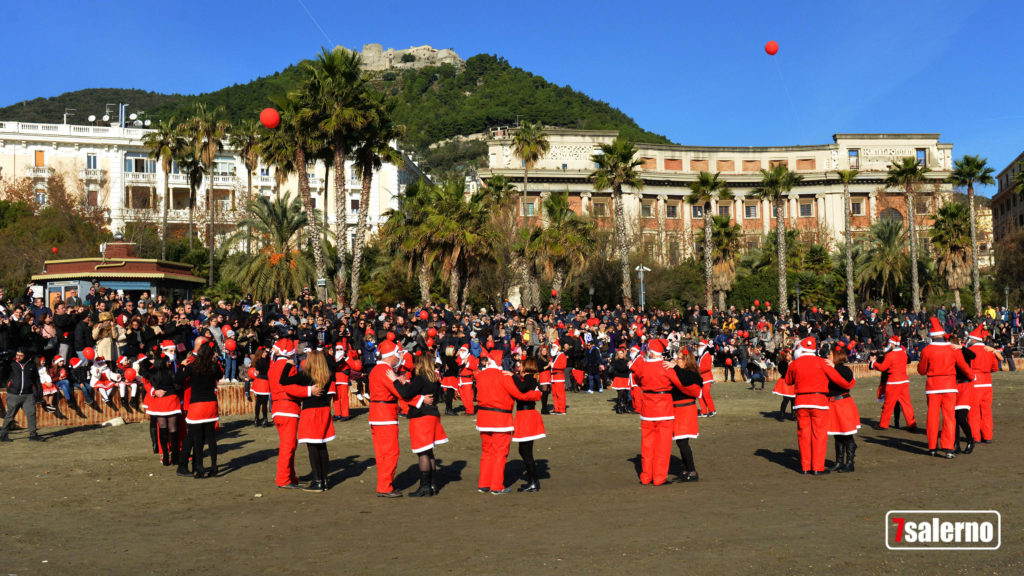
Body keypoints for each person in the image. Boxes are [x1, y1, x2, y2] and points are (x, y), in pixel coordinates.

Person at [474, 349, 541, 494]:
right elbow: (520, 394)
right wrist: (537, 394)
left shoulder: (480, 375)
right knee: (500, 452)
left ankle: (483, 483)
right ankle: (497, 486)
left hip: (483, 418)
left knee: (486, 452)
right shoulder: (504, 376)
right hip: (501, 419)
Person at [783, 337, 852, 475]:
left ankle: (805, 467)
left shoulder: (795, 364)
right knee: (819, 435)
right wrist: (849, 385)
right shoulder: (822, 362)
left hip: (801, 402)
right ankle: (817, 467)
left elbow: (788, 380)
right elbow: (839, 380)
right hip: (819, 401)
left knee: (803, 435)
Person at [916, 318, 973, 459]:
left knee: (932, 418)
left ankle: (932, 447)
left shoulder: (927, 350)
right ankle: (948, 448)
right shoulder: (952, 349)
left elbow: (922, 370)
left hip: (933, 387)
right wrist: (972, 376)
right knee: (949, 418)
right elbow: (964, 367)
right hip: (949, 387)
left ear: (931, 336)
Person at [280, 350, 334, 492]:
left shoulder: (306, 375)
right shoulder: (328, 374)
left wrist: (288, 365)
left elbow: (283, 381)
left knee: (312, 447)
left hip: (310, 411)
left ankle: (317, 482)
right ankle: (324, 480)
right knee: (322, 446)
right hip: (324, 410)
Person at [394, 353, 446, 497]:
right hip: (433, 415)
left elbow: (405, 394)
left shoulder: (421, 378)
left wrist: (395, 381)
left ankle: (424, 487)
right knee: (429, 451)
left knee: (422, 452)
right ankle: (432, 484)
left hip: (421, 417)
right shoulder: (434, 378)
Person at [635, 339, 681, 486]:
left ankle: (646, 477)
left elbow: (636, 379)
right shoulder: (666, 367)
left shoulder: (642, 366)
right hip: (664, 409)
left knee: (647, 446)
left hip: (647, 409)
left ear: (650, 351)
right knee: (663, 446)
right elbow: (679, 383)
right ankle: (659, 478)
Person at [175, 342, 223, 477]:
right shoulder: (213, 366)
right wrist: (216, 360)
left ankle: (199, 468)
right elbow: (219, 375)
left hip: (197, 404)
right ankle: (214, 467)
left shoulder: (193, 366)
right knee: (211, 437)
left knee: (197, 438)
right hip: (211, 403)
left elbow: (178, 379)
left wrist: (182, 367)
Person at [368, 338, 407, 497]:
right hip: (385, 415)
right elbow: (399, 392)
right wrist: (401, 383)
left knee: (381, 453)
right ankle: (385, 486)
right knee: (391, 452)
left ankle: (383, 484)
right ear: (392, 355)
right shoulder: (385, 370)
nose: (400, 358)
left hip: (377, 414)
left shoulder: (376, 370)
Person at [268, 339, 301, 488]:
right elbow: (292, 387)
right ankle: (284, 478)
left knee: (287, 444)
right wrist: (308, 391)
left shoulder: (272, 367)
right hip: (288, 408)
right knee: (289, 445)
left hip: (276, 407)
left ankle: (290, 476)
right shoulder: (289, 366)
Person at [511, 356, 546, 492]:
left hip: (527, 416)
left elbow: (522, 388)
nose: (519, 367)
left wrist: (512, 376)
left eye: (521, 365)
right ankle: (533, 480)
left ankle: (533, 482)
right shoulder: (530, 379)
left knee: (526, 451)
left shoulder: (530, 379)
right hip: (525, 415)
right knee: (524, 450)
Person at [669, 348, 704, 482]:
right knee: (680, 442)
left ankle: (692, 472)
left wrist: (675, 368)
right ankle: (687, 470)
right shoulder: (681, 371)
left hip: (685, 410)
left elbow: (684, 380)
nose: (677, 360)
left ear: (686, 360)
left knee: (683, 442)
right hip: (678, 410)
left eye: (679, 358)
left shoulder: (692, 374)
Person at [869, 335, 917, 431]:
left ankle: (883, 424)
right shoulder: (903, 354)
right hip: (904, 381)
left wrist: (873, 362)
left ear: (892, 344)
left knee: (888, 405)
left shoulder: (890, 355)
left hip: (893, 382)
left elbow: (882, 367)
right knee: (906, 404)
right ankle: (912, 424)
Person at [142, 353, 181, 466]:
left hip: (159, 402)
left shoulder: (151, 373)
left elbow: (142, 372)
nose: (169, 363)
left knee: (162, 429)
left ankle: (165, 456)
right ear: (164, 362)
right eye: (168, 361)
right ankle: (174, 457)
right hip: (172, 400)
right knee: (173, 429)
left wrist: (148, 361)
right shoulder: (170, 372)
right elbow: (177, 386)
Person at [826, 346, 859, 473]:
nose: (828, 357)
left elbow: (846, 378)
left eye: (830, 354)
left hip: (843, 403)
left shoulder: (844, 369)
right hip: (833, 404)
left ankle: (850, 463)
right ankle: (839, 462)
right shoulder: (830, 369)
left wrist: (833, 367)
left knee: (847, 434)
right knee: (837, 435)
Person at [0, 349, 45, 442]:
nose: (18, 357)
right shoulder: (11, 364)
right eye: (17, 355)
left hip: (28, 395)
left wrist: (40, 392)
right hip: (13, 394)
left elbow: (36, 379)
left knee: (31, 414)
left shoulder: (31, 364)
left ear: (26, 355)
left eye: (20, 355)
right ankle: (3, 435)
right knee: (10, 415)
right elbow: (3, 372)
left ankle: (33, 435)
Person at [965, 326, 999, 444]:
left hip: (974, 383)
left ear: (973, 340)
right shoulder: (988, 350)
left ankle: (976, 436)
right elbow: (995, 368)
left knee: (973, 411)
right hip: (987, 383)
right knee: (986, 411)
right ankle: (988, 435)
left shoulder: (970, 351)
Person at [948, 335, 976, 455]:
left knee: (960, 417)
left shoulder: (962, 352)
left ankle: (970, 440)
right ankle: (956, 444)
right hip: (954, 386)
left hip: (965, 386)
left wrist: (961, 347)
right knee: (954, 418)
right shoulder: (948, 354)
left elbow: (973, 355)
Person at [249, 347, 271, 427]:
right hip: (264, 382)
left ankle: (256, 419)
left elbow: (255, 372)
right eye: (264, 352)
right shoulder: (263, 362)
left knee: (258, 401)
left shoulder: (256, 361)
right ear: (260, 353)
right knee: (264, 402)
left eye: (265, 352)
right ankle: (265, 420)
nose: (265, 353)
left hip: (258, 382)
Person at [771, 349, 795, 421]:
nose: (790, 356)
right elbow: (784, 373)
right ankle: (782, 414)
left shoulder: (793, 362)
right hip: (786, 382)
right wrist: (789, 365)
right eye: (788, 355)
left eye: (790, 355)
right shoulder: (782, 363)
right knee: (786, 399)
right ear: (784, 357)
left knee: (794, 400)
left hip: (793, 382)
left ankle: (794, 415)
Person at [696, 339, 716, 417]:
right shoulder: (700, 355)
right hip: (701, 378)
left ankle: (712, 410)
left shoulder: (707, 355)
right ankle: (703, 411)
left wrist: (697, 370)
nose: (699, 347)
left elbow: (707, 367)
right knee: (700, 395)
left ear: (704, 346)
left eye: (701, 345)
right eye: (699, 345)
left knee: (705, 394)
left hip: (706, 378)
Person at [609, 346, 632, 414]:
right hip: (619, 378)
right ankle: (618, 408)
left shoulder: (627, 360)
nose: (620, 355)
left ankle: (625, 407)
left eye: (621, 353)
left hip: (626, 378)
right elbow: (621, 369)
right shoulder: (616, 361)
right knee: (620, 393)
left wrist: (629, 365)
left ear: (624, 354)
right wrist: (628, 366)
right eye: (619, 353)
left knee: (626, 394)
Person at [549, 342, 568, 415]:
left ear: (557, 347)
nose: (552, 348)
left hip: (559, 377)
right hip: (553, 377)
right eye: (552, 347)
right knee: (554, 394)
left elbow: (563, 365)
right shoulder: (554, 356)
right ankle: (556, 408)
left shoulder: (562, 355)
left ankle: (562, 409)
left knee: (560, 394)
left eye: (554, 347)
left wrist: (553, 365)